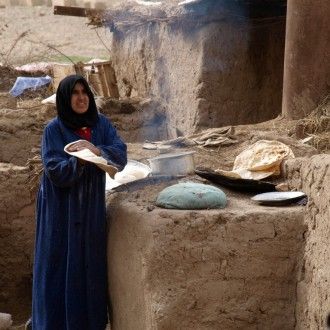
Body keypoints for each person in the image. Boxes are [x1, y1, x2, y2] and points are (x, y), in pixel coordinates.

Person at [32, 74, 127, 330]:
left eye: (84, 92)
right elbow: (54, 170)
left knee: (88, 267)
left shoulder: (101, 125)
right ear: (65, 98)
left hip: (89, 211)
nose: (81, 98)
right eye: (74, 93)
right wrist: (80, 160)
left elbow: (120, 153)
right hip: (60, 211)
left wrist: (96, 150)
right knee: (58, 266)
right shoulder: (54, 129)